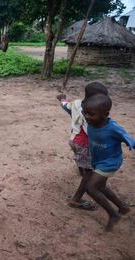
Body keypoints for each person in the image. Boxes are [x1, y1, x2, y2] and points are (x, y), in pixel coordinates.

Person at [82, 93, 134, 231]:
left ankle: (113, 215)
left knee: (91, 188)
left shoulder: (113, 128)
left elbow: (127, 137)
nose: (86, 117)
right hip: (98, 161)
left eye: (91, 114)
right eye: (84, 113)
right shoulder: (92, 122)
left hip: (110, 162)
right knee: (101, 187)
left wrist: (131, 143)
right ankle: (123, 207)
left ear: (105, 114)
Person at [56, 82, 108, 211]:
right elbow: (94, 132)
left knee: (82, 160)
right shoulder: (92, 113)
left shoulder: (77, 103)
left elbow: (66, 107)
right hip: (83, 144)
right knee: (89, 174)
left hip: (73, 140)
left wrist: (62, 99)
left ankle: (82, 169)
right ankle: (76, 199)